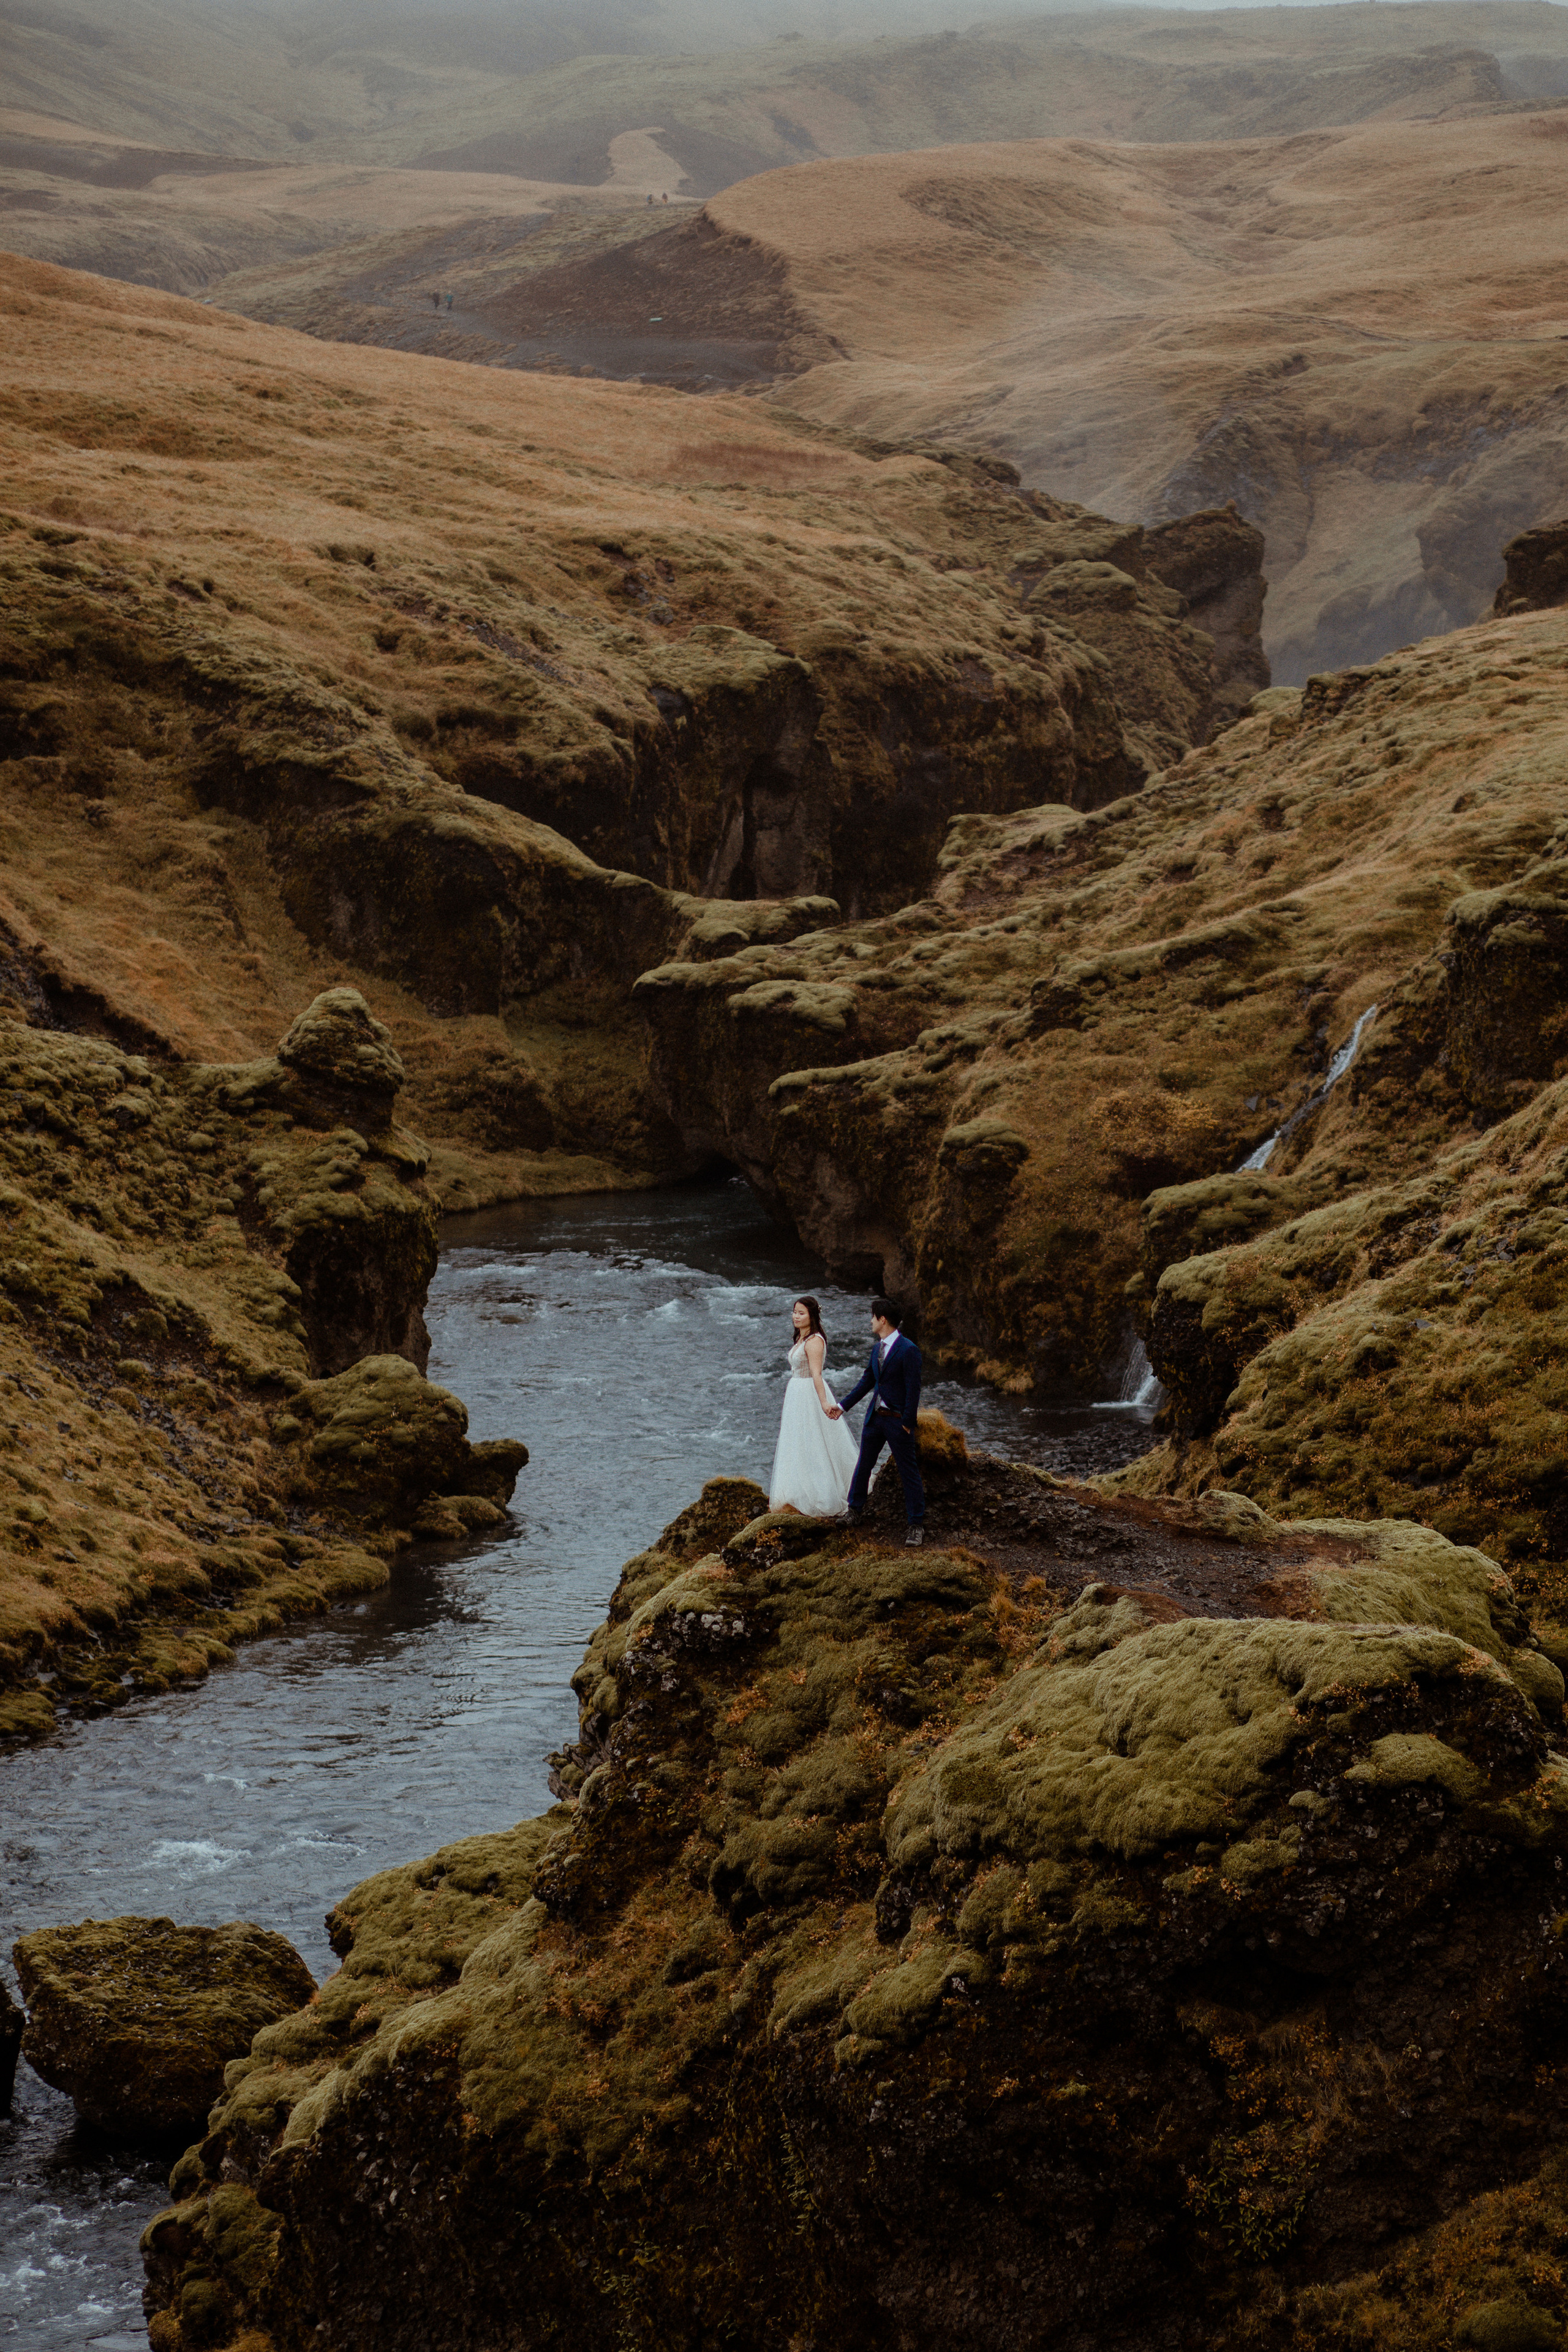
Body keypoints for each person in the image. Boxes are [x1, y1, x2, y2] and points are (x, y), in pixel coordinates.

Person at [839, 1298, 925, 1545]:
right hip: (875, 1419)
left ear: (883, 1320)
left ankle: (916, 1525)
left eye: (873, 1316)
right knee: (864, 1464)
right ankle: (854, 1511)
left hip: (898, 1421)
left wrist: (908, 1422)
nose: (870, 1320)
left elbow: (914, 1388)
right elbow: (867, 1381)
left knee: (908, 1471)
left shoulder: (909, 1349)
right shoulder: (877, 1349)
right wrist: (843, 1406)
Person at [769, 1297, 860, 1518]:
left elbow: (817, 1374)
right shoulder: (801, 1338)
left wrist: (824, 1404)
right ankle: (796, 1492)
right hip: (796, 1393)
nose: (796, 1317)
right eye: (794, 1312)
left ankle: (823, 1493)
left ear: (812, 1316)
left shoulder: (814, 1341)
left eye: (801, 1313)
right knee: (796, 1441)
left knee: (813, 1441)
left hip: (809, 1392)